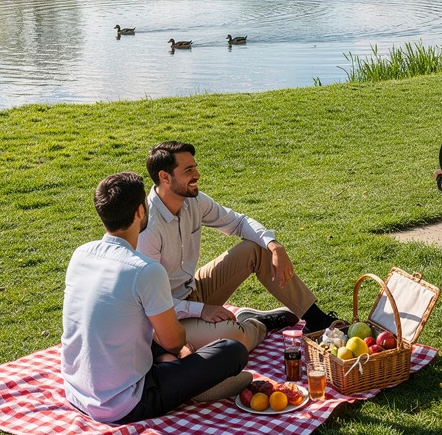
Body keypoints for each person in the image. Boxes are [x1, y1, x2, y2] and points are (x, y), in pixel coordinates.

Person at [61, 172, 252, 424]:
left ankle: (181, 372)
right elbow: (174, 341)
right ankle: (207, 386)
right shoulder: (145, 270)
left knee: (156, 342)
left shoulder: (81, 254)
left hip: (77, 391)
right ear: (141, 211)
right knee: (232, 351)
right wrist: (180, 347)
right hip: (127, 403)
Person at [137, 141, 340, 352]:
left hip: (193, 289)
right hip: (166, 316)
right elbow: (150, 302)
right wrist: (202, 310)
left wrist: (275, 246)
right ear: (165, 177)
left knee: (259, 247)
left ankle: (317, 319)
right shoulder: (147, 228)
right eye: (189, 170)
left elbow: (239, 223)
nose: (197, 174)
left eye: (195, 167)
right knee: (234, 336)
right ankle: (260, 323)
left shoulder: (193, 201)